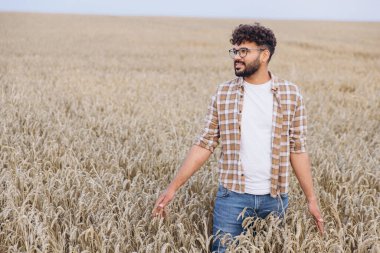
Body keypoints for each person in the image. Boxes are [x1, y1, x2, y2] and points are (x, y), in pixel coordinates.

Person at [151, 23, 324, 252]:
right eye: (235, 51)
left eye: (244, 51)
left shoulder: (291, 94)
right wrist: (172, 188)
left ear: (264, 55)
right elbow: (205, 143)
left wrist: (311, 199)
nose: (237, 57)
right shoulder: (224, 93)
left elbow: (297, 149)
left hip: (275, 199)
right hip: (232, 198)